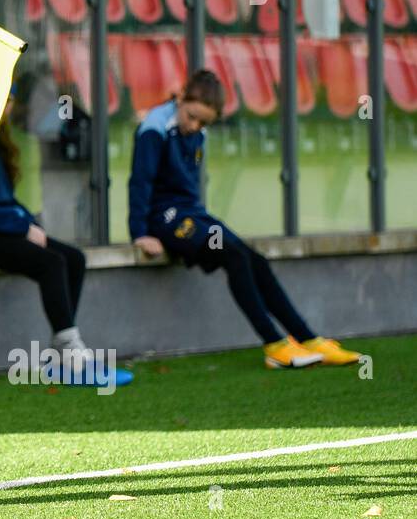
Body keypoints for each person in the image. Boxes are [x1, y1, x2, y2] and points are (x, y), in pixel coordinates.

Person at [128, 70, 364, 369]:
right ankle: (274, 345)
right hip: (167, 219)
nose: (195, 126)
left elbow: (188, 185)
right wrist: (140, 233)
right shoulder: (154, 127)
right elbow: (141, 181)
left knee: (255, 260)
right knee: (234, 257)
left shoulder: (198, 133)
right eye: (192, 117)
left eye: (203, 122)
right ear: (181, 98)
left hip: (192, 214)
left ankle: (309, 339)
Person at [0, 103, 132, 387]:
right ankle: (70, 354)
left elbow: (4, 202)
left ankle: (60, 357)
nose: (8, 107)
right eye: (4, 99)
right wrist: (23, 227)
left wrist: (28, 224)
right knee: (51, 263)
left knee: (74, 259)